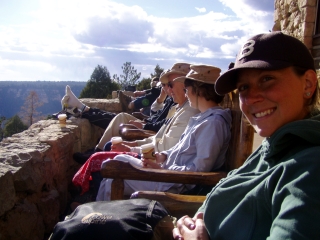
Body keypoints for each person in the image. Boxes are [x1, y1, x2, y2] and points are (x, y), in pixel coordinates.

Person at [172, 31, 320, 240]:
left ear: (308, 84)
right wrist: (190, 223)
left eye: (267, 79)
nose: (250, 97)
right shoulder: (274, 146)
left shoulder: (310, 169)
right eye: (243, 87)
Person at [96, 64, 232, 201]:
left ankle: (101, 218)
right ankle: (96, 213)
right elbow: (181, 149)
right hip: (168, 173)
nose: (185, 93)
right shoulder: (202, 118)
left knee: (113, 176)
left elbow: (200, 170)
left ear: (199, 90)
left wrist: (163, 168)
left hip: (173, 182)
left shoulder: (213, 124)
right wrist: (163, 156)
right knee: (119, 160)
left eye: (187, 88)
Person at [72, 63, 200, 197]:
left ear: (186, 84)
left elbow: (166, 146)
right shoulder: (178, 107)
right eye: (165, 85)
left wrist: (134, 145)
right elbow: (158, 126)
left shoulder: (190, 113)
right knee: (112, 149)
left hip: (159, 166)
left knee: (108, 162)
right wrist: (133, 145)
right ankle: (93, 198)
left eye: (170, 84)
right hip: (155, 154)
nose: (167, 88)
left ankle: (91, 199)